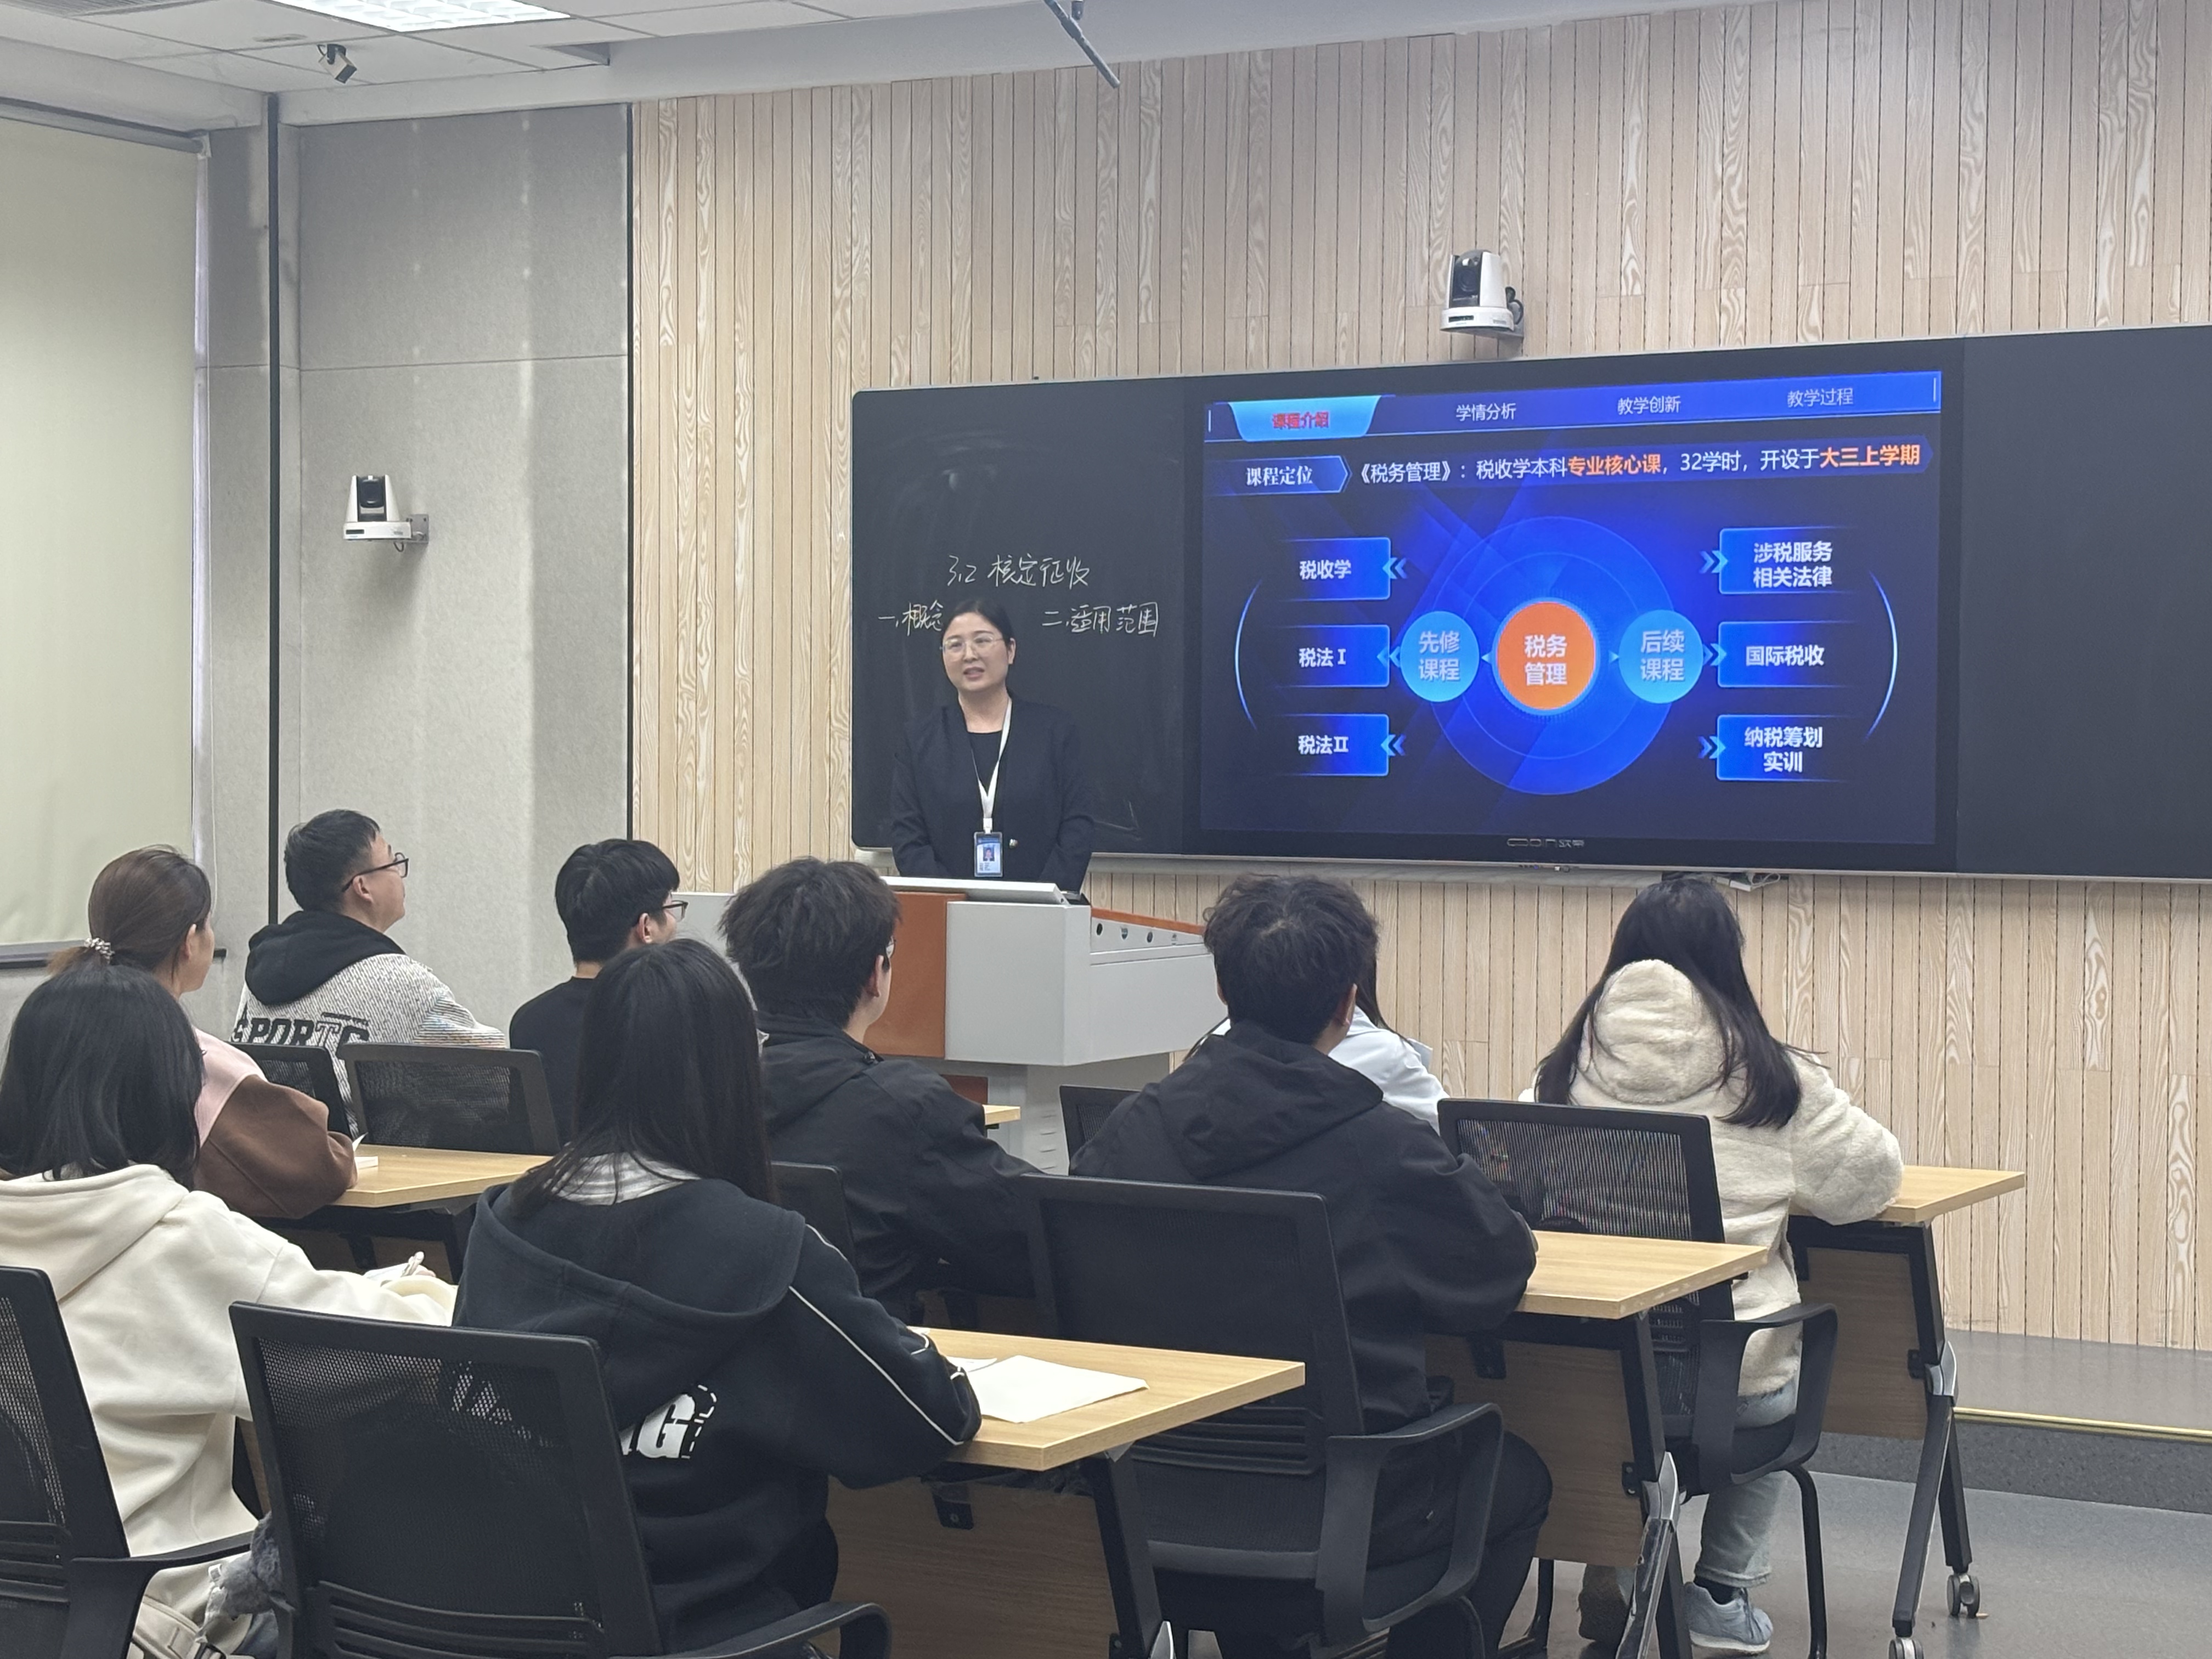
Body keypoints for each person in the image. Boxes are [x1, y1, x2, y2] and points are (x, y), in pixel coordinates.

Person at [1074, 874, 1549, 1657]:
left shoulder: (1126, 1134)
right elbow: (1497, 1272)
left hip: (1141, 1504)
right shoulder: (1385, 1149)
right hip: (1346, 1512)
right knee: (1514, 1478)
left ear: (1222, 989)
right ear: (1348, 1003)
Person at [456, 940, 979, 1651]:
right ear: (736, 1070)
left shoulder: (500, 1226)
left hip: (518, 1621)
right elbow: (930, 1416)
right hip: (714, 1629)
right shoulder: (766, 1253)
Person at [0, 963, 455, 1659]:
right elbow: (390, 1344)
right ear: (167, 1093)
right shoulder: (179, 1236)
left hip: (28, 1614)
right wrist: (431, 1290)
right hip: (168, 1618)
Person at [1532, 874, 1903, 1657]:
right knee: (1772, 1366)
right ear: (1727, 963)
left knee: (1626, 1405)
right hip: (1727, 1386)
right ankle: (1723, 1593)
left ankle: (1623, 1566)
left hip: (1589, 1378)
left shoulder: (1563, 1071)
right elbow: (1870, 1182)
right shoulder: (1770, 1079)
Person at [719, 857, 1039, 1312]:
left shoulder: (702, 1087)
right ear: (875, 973)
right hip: (869, 1349)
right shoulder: (902, 1107)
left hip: (729, 1351)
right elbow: (1032, 1237)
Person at [52, 847, 355, 1218]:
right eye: (208, 924)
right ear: (189, 942)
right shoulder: (193, 1056)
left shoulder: (52, 1033)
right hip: (163, 1243)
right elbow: (317, 1167)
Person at [232, 810, 504, 1085]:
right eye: (392, 862)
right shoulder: (404, 985)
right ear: (363, 887)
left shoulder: (258, 978)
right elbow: (502, 1074)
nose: (400, 873)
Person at [888, 597, 1096, 892]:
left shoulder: (1055, 732)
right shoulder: (920, 739)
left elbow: (1077, 828)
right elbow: (909, 839)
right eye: (955, 645)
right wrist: (953, 902)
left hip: (1042, 909)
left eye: (982, 641)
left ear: (1010, 650)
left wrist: (1039, 901)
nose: (969, 655)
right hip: (947, 910)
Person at [511, 838, 684, 1137]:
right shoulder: (675, 1015)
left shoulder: (528, 1021)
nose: (674, 923)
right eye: (671, 909)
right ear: (646, 928)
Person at [1207, 972, 1448, 1128]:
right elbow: (1459, 1135)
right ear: (1347, 1000)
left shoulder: (1211, 1051)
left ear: (1222, 990)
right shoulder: (1385, 1053)